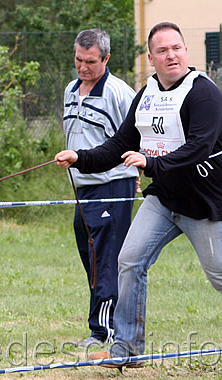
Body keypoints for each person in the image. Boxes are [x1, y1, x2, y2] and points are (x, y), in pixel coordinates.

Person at [55, 21, 222, 366]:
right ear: (151, 57)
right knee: (129, 259)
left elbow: (200, 147)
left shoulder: (203, 92)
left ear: (186, 52)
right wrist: (81, 158)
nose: (171, 55)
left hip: (204, 202)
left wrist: (150, 162)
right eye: (162, 50)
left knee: (219, 275)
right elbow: (120, 144)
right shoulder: (146, 95)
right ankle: (126, 350)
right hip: (163, 199)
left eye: (176, 48)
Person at [63, 29, 138, 348]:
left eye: (90, 61)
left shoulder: (120, 93)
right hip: (82, 189)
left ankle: (102, 332)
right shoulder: (70, 90)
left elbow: (137, 135)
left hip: (112, 184)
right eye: (79, 60)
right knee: (90, 256)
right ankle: (109, 318)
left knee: (106, 258)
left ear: (106, 59)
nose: (83, 67)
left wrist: (136, 169)